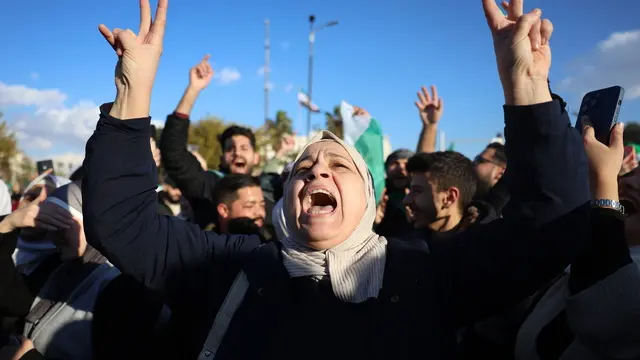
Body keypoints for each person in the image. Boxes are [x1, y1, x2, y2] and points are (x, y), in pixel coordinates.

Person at [82, 0, 590, 358]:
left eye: (339, 165)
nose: (318, 170)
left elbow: (554, 219)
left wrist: (527, 87)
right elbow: (122, 223)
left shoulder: (426, 271)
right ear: (284, 200)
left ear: (368, 200)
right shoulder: (230, 265)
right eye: (303, 169)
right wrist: (134, 88)